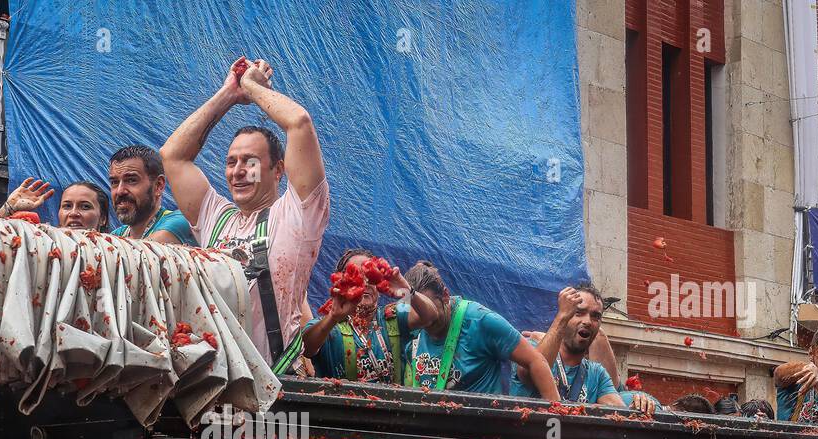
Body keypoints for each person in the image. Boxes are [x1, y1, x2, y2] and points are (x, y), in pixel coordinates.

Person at [162, 57, 329, 365]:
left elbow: (299, 123)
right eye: (231, 162)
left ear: (278, 169)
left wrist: (251, 88)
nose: (237, 171)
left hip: (276, 386)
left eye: (249, 162)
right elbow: (172, 157)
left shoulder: (298, 214)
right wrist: (228, 94)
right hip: (216, 380)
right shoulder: (215, 217)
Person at [401, 261, 559, 397]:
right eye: (417, 313)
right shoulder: (409, 323)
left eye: (430, 311)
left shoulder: (480, 320)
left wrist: (557, 422)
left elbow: (536, 361)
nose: (424, 321)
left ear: (445, 296)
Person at [297, 250, 435, 383]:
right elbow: (306, 348)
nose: (365, 283)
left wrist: (407, 291)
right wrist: (333, 317)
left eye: (370, 276)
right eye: (356, 277)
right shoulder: (329, 325)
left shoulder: (393, 316)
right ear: (340, 283)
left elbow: (431, 315)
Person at [510, 283, 622, 405]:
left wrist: (640, 402)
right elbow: (530, 375)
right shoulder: (532, 347)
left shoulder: (597, 374)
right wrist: (562, 316)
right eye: (578, 312)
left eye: (595, 316)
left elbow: (619, 412)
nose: (588, 321)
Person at [107, 145, 196, 245]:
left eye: (131, 180)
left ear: (158, 185)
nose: (120, 191)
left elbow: (139, 256)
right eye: (114, 182)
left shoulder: (179, 222)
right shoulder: (118, 234)